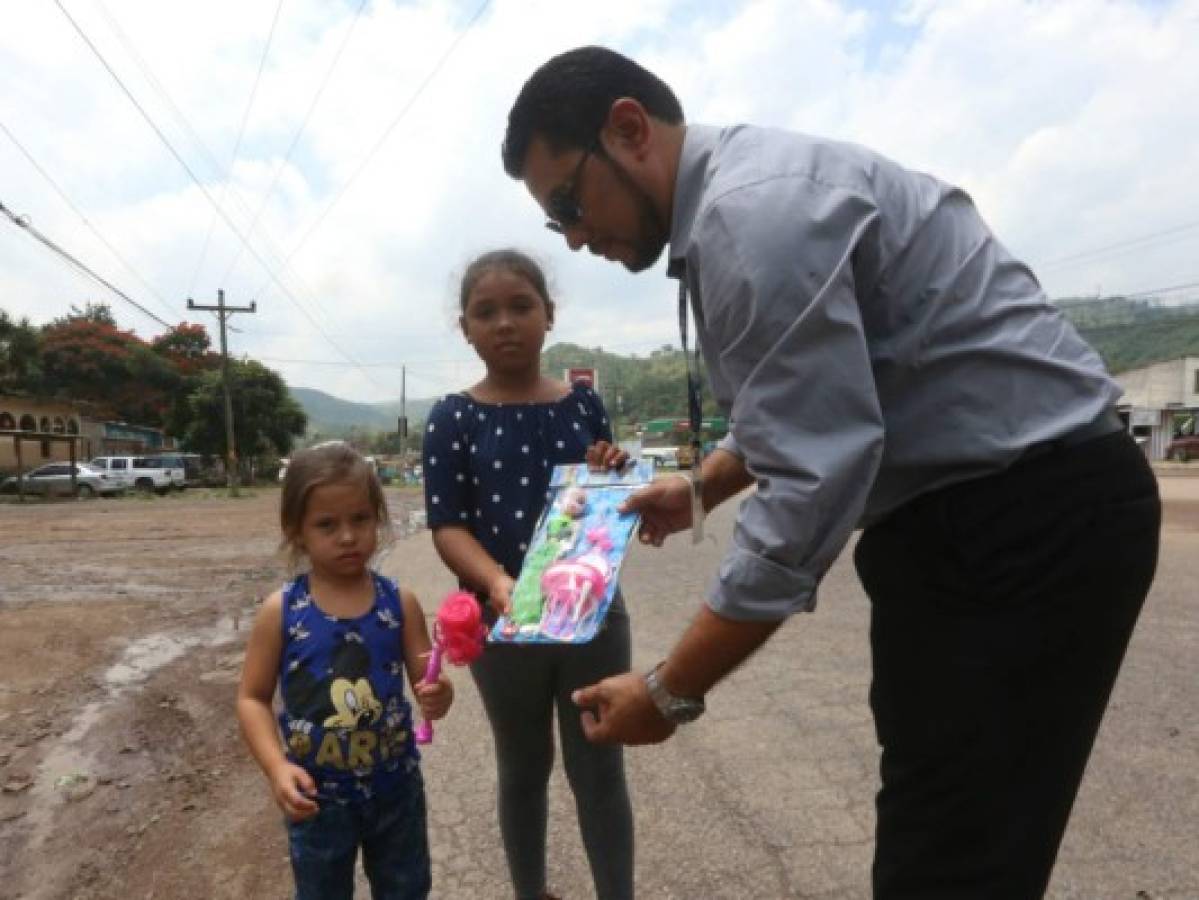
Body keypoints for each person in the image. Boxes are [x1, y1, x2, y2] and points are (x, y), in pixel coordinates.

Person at [500, 46, 1161, 900]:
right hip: (983, 520)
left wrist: (670, 690)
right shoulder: (744, 201)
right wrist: (699, 487)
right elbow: (812, 402)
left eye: (568, 203)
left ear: (628, 130)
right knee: (951, 830)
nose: (578, 236)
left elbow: (814, 480)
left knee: (951, 861)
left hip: (1021, 523)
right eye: (559, 225)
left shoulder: (748, 220)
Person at [422, 249, 634, 900]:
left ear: (549, 315)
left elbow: (605, 500)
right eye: (486, 312)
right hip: (500, 621)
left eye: (521, 306)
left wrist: (614, 466)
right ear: (465, 328)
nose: (505, 323)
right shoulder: (452, 418)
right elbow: (448, 525)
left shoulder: (581, 405)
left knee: (599, 764)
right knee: (522, 767)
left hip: (590, 613)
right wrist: (494, 582)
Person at [237, 441, 453, 900]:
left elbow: (427, 684)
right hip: (316, 798)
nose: (348, 536)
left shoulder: (401, 603)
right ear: (296, 531)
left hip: (396, 790)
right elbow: (251, 698)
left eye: (360, 519)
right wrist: (277, 768)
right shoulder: (282, 612)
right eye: (327, 525)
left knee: (406, 890)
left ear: (377, 517)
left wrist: (438, 694)